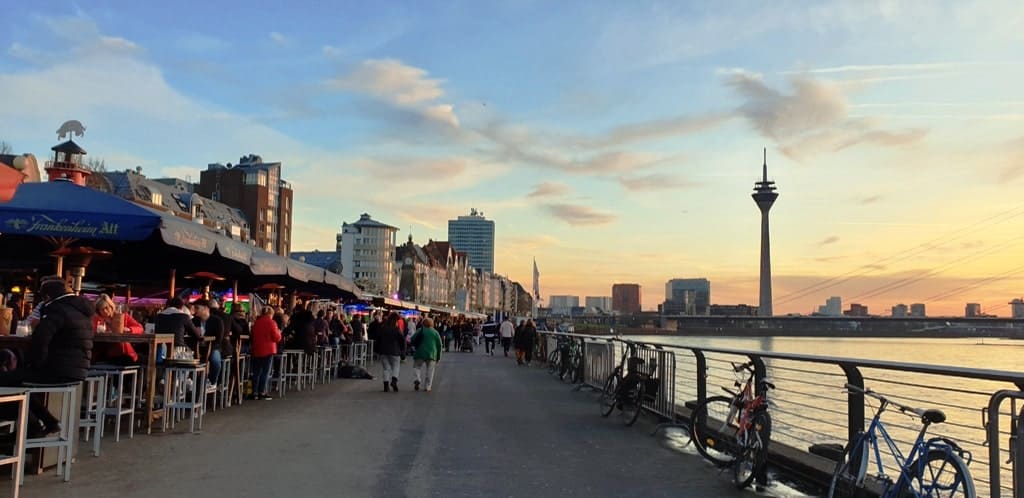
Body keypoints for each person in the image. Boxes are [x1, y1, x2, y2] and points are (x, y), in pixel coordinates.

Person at [0, 276, 94, 437]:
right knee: (19, 381)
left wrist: (34, 364)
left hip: (59, 369)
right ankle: (46, 422)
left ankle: (31, 428)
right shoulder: (80, 310)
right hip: (76, 369)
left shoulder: (56, 310)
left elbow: (40, 341)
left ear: (47, 297)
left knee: (8, 379)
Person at [92, 293, 144, 364]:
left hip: (125, 354)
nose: (105, 311)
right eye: (102, 309)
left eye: (107, 308)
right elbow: (92, 331)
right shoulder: (97, 320)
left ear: (111, 306)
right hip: (106, 354)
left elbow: (140, 328)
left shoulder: (123, 317)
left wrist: (129, 329)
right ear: (98, 311)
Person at [250, 306, 281, 400]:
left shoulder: (256, 323)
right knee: (265, 372)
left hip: (256, 349)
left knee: (256, 371)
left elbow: (252, 335)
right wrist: (279, 333)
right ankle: (262, 391)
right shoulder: (272, 322)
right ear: (271, 314)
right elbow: (276, 338)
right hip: (268, 349)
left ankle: (254, 392)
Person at [192, 299, 225, 385]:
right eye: (195, 308)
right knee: (186, 359)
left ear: (206, 308)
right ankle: (194, 384)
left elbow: (219, 339)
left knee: (215, 360)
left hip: (213, 347)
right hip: (197, 348)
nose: (195, 310)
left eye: (197, 308)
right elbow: (189, 336)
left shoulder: (217, 321)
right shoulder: (194, 321)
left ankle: (212, 382)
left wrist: (208, 344)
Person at [410, 317, 442, 392]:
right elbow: (439, 345)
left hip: (420, 352)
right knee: (430, 371)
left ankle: (417, 379)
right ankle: (427, 386)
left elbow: (412, 339)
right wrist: (438, 357)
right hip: (432, 354)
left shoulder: (420, 330)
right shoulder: (435, 332)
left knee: (417, 367)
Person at [376, 312, 405, 392]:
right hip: (395, 351)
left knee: (386, 369)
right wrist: (403, 352)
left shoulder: (383, 328)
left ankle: (386, 386)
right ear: (396, 321)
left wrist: (377, 350)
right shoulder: (396, 329)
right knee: (396, 367)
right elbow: (402, 341)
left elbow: (378, 339)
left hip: (383, 351)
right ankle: (394, 381)